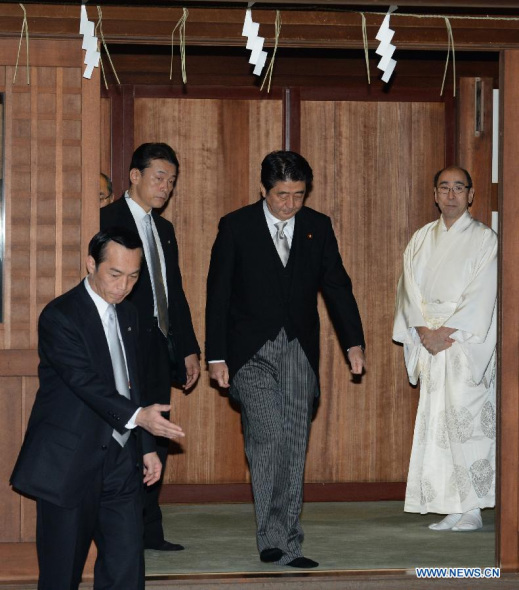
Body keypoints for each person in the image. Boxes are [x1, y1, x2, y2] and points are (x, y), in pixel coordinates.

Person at [206, 150, 366, 568]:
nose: (290, 204)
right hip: (249, 352)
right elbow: (218, 294)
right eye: (281, 195)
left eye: (298, 195)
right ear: (264, 190)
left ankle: (289, 543)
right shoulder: (236, 226)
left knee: (294, 444)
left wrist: (353, 343)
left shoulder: (318, 227)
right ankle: (269, 537)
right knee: (269, 435)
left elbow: (337, 287)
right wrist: (217, 356)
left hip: (298, 349)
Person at [10, 227, 186, 590]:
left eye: (134, 277)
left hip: (121, 461)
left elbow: (132, 381)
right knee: (62, 576)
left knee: (126, 571)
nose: (123, 286)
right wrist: (141, 419)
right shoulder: (61, 315)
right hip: (70, 464)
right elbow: (85, 382)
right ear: (91, 264)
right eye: (115, 274)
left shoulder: (130, 314)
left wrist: (146, 446)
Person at [101, 143, 200, 551]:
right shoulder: (106, 219)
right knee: (122, 434)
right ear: (135, 176)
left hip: (159, 348)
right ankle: (119, 531)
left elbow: (173, 293)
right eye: (160, 177)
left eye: (172, 180)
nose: (166, 186)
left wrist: (189, 347)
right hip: (118, 347)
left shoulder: (165, 230)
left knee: (155, 436)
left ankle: (149, 531)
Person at [393, 166, 497, 532]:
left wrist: (447, 332)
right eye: (444, 187)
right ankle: (451, 502)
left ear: (471, 195)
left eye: (459, 187)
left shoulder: (485, 239)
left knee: (467, 423)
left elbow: (484, 293)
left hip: (463, 342)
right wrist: (422, 330)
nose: (451, 194)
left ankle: (473, 507)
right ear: (434, 194)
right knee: (437, 423)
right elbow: (408, 290)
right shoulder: (421, 238)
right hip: (431, 341)